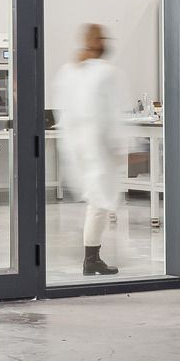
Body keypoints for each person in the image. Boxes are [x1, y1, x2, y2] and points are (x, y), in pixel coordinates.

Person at [53, 23, 123, 277]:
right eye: (103, 37)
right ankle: (91, 259)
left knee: (97, 201)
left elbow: (63, 111)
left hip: (77, 144)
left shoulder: (68, 70)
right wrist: (119, 146)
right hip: (98, 145)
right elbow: (111, 114)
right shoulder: (105, 72)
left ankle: (92, 256)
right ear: (97, 42)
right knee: (100, 202)